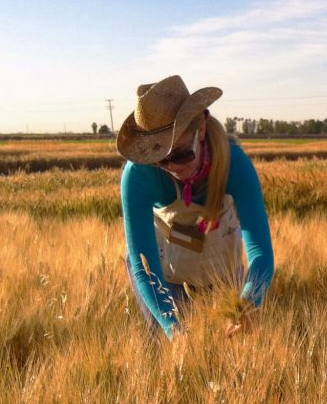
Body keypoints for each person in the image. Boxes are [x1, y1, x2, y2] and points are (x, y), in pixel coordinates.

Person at [116, 75, 274, 340]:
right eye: (159, 161)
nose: (172, 169)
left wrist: (248, 304)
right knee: (168, 346)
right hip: (164, 274)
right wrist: (172, 328)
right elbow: (145, 268)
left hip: (221, 272)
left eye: (179, 154)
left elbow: (260, 252)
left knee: (231, 346)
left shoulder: (235, 164)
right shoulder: (138, 174)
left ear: (200, 129)